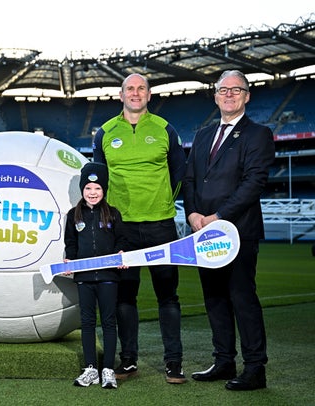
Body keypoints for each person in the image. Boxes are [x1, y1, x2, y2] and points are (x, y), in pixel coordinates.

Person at [182, 70, 275, 391]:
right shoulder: (204, 134)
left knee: (241, 297)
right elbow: (191, 179)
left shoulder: (259, 134)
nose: (230, 94)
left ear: (247, 96)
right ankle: (224, 361)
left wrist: (219, 216)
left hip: (237, 231)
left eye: (237, 90)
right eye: (224, 90)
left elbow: (254, 183)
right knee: (214, 298)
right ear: (216, 95)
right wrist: (193, 213)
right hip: (203, 232)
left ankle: (255, 368)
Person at [93, 73, 187, 384]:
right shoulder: (105, 132)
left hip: (161, 225)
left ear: (148, 95)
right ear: (121, 95)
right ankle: (129, 360)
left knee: (167, 296)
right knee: (124, 297)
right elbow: (98, 179)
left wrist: (162, 203)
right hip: (123, 230)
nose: (136, 93)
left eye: (141, 88)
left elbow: (179, 173)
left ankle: (174, 362)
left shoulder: (165, 129)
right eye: (130, 89)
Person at [65, 162, 128, 389]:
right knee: (88, 322)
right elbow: (70, 244)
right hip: (84, 278)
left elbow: (121, 240)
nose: (93, 193)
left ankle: (108, 369)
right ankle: (91, 369)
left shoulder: (113, 214)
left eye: (98, 188)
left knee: (109, 322)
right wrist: (69, 260)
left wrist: (121, 253)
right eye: (88, 188)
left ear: (104, 190)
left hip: (109, 277)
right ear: (82, 190)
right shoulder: (73, 215)